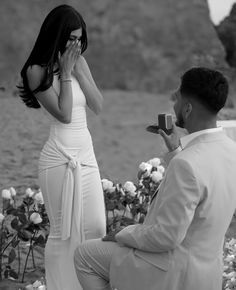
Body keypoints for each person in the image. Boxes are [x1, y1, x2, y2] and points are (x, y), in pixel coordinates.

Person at [73, 67, 236, 290]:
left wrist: (124, 233)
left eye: (177, 98)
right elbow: (204, 182)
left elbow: (166, 237)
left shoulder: (187, 163)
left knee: (84, 255)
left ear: (187, 109)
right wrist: (175, 152)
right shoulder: (230, 150)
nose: (173, 104)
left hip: (173, 272)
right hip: (207, 273)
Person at [18, 5, 106, 290]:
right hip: (58, 157)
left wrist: (78, 69)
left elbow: (98, 105)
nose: (75, 45)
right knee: (63, 234)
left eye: (79, 39)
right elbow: (64, 114)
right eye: (70, 38)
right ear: (56, 35)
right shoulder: (36, 71)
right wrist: (66, 73)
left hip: (86, 155)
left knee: (95, 228)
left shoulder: (80, 62)